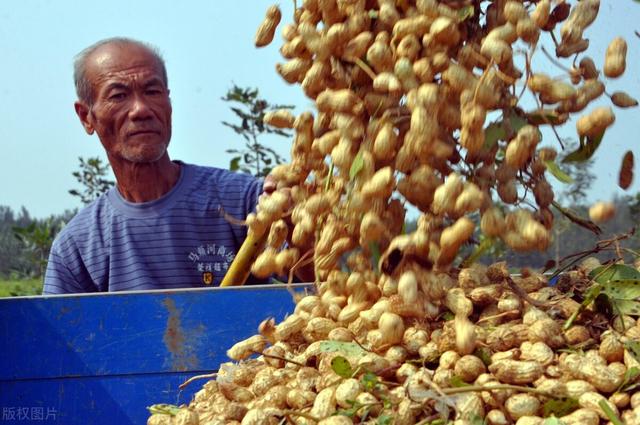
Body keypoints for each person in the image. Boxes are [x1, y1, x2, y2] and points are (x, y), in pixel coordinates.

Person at [43, 37, 273, 294]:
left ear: (169, 102)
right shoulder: (77, 248)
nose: (141, 109)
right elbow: (62, 332)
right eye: (118, 95)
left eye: (152, 92)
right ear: (87, 117)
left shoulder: (247, 202)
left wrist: (300, 214)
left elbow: (315, 281)